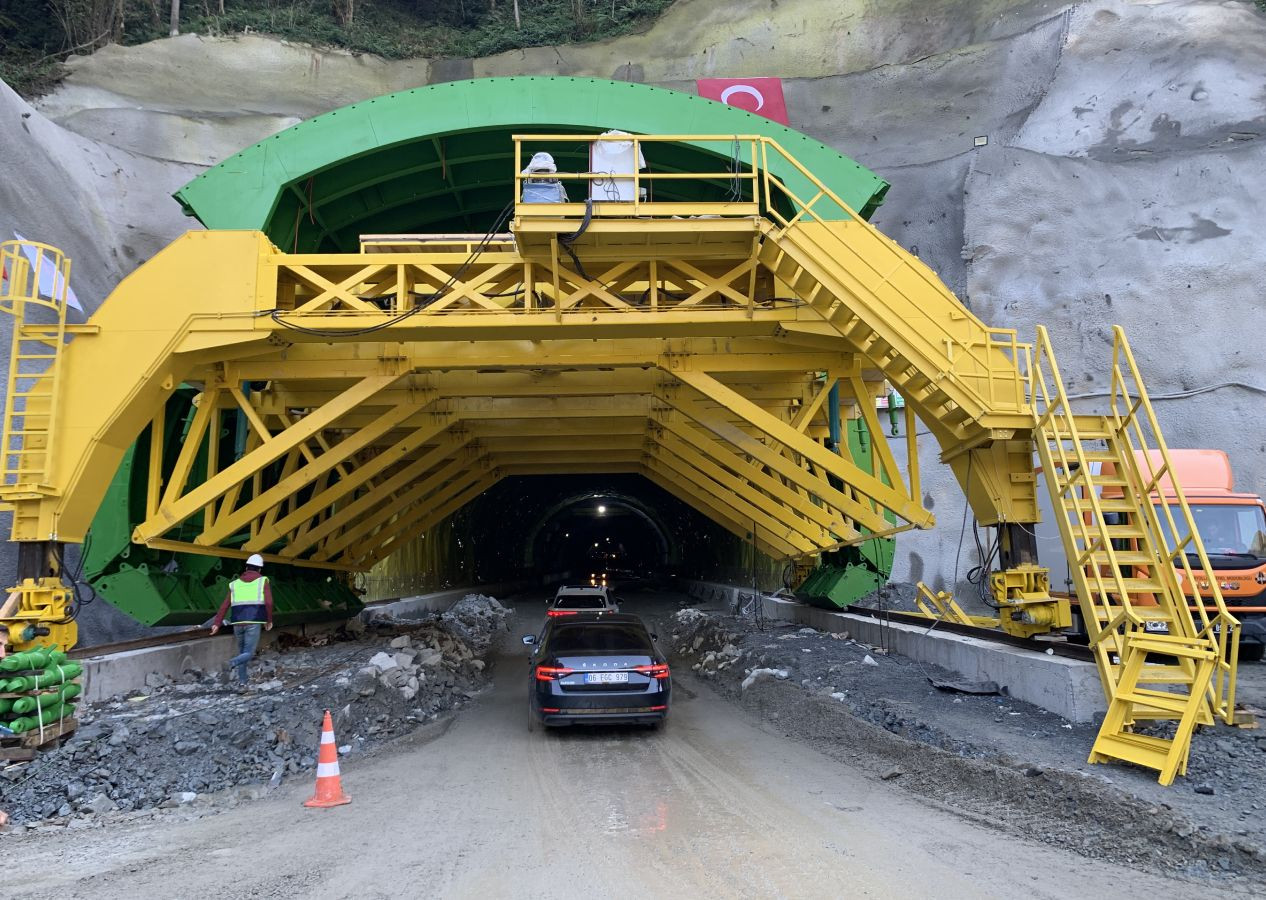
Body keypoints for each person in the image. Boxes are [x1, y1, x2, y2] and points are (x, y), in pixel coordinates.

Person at [210, 554, 274, 690]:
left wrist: (217, 623)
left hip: (237, 624)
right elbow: (268, 602)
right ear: (260, 570)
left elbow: (224, 605)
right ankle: (231, 663)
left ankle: (242, 683)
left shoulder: (235, 584)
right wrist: (269, 620)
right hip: (254, 621)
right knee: (248, 653)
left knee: (243, 653)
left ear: (246, 568)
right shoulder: (263, 581)